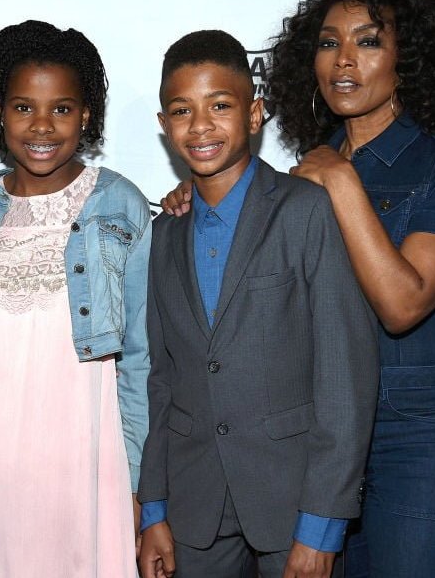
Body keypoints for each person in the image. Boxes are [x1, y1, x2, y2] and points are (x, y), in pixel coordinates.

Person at [162, 0, 435, 575]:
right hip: (319, 447)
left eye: (368, 42)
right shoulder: (303, 174)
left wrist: (340, 180)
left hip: (417, 438)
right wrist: (206, 198)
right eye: (327, 43)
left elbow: (403, 303)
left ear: (410, 57)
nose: (343, 60)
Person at [138, 30, 379, 578]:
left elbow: (345, 376)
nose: (200, 126)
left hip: (292, 505)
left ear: (254, 114)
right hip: (192, 510)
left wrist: (321, 525)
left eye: (220, 106)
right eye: (182, 111)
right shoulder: (162, 237)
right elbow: (160, 380)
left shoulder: (305, 211)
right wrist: (153, 507)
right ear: (164, 126)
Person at [0, 20, 150, 577]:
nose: (42, 126)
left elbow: (139, 359)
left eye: (61, 108)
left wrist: (139, 484)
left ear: (85, 115)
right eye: (23, 107)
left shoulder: (120, 205)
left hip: (83, 466)